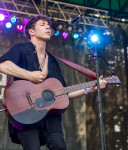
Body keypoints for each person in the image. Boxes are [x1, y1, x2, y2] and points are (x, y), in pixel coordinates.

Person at [0, 14, 107, 150]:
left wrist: (89, 89)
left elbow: (63, 92)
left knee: (59, 146)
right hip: (25, 113)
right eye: (42, 24)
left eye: (48, 25)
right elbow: (2, 65)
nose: (47, 27)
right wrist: (29, 75)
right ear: (31, 32)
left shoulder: (53, 61)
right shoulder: (21, 49)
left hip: (51, 119)